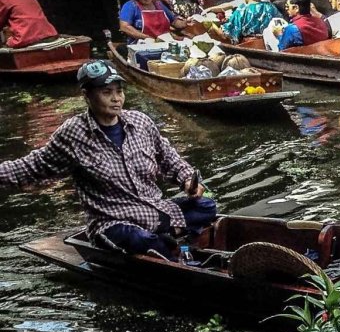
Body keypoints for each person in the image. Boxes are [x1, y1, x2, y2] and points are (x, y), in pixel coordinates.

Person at [0, 60, 215, 257]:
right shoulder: (73, 134)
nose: (116, 99)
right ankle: (170, 246)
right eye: (107, 92)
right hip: (113, 220)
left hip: (151, 210)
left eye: (119, 91)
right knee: (142, 240)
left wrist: (187, 179)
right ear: (87, 95)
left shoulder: (140, 123)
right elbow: (32, 167)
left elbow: (168, 158)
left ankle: (166, 235)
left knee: (206, 206)